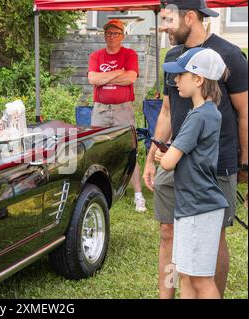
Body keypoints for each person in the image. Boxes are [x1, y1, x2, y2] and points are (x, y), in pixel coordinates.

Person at [143, 0, 248, 299]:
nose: (163, 26)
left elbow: (245, 114)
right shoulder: (173, 57)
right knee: (168, 234)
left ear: (190, 17)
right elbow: (166, 111)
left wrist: (245, 165)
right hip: (173, 161)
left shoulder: (229, 56)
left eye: (168, 20)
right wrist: (151, 158)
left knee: (212, 239)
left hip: (216, 166)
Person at [160, 47, 229, 299]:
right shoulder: (210, 112)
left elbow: (168, 162)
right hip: (193, 205)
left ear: (198, 79)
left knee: (201, 281)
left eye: (181, 75)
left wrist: (161, 155)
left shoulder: (198, 116)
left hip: (198, 209)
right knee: (186, 275)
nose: (175, 81)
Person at [88, 19, 147, 213]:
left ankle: (139, 195)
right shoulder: (96, 55)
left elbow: (130, 78)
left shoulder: (129, 54)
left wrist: (104, 78)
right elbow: (92, 79)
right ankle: (98, 190)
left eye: (115, 33)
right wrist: (117, 72)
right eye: (108, 33)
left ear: (122, 36)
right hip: (101, 109)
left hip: (123, 109)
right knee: (98, 150)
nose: (111, 37)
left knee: (130, 150)